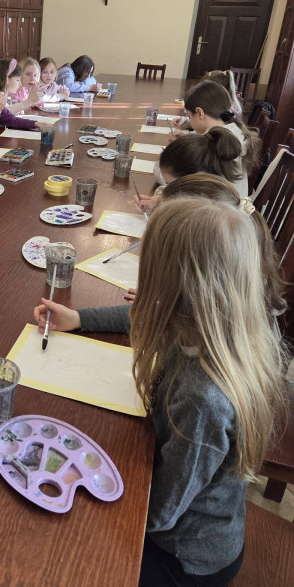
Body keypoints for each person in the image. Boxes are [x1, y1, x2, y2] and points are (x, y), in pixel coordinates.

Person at [132, 198, 287, 585]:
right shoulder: (228, 328)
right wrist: (82, 319)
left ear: (175, 291)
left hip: (184, 555)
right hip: (197, 524)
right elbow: (145, 311)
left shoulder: (202, 397)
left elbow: (161, 513)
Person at [33, 173, 286, 337]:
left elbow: (160, 318)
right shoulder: (212, 306)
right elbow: (159, 318)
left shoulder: (200, 391)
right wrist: (79, 318)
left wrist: (158, 307)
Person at [180, 80, 260, 196]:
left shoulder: (210, 143)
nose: (190, 121)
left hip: (216, 210)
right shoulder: (235, 132)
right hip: (235, 208)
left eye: (189, 116)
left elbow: (172, 176)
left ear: (199, 113)